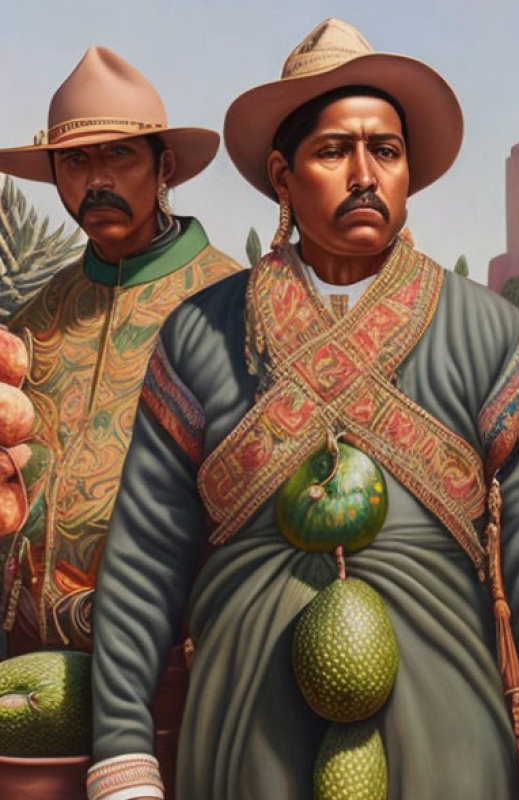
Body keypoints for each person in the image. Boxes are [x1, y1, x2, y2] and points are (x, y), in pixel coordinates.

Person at [87, 18, 519, 800]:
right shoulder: (200, 334)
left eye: (387, 151)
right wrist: (126, 760)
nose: (365, 174)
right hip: (245, 734)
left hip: (449, 733)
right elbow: (144, 562)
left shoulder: (484, 330)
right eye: (334, 151)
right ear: (282, 173)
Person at [0, 45, 241, 798]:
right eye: (73, 164)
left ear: (164, 165)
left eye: (118, 157)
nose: (94, 180)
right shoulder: (33, 322)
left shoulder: (234, 304)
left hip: (187, 676)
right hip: (28, 679)